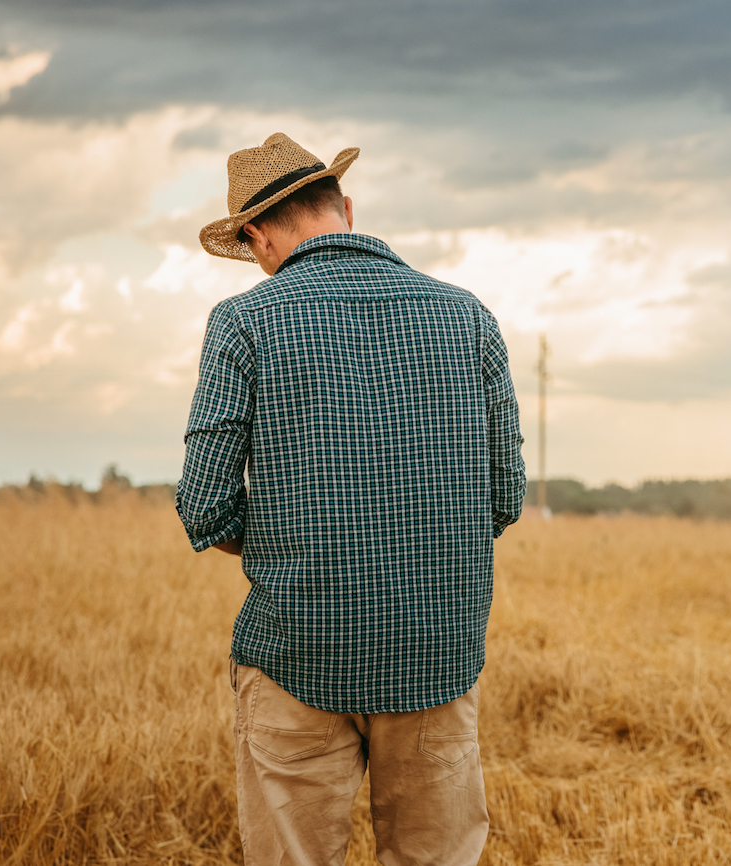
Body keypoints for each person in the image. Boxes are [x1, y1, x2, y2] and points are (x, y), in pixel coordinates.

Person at [176, 132, 525, 866]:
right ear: (347, 208)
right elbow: (505, 498)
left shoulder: (243, 323)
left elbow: (203, 507)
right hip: (436, 653)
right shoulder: (469, 319)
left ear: (257, 233)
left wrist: (287, 539)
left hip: (293, 652)